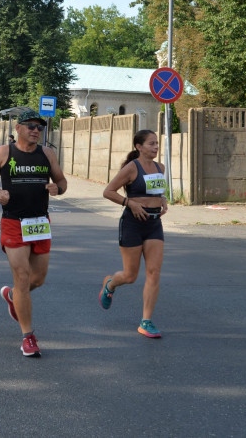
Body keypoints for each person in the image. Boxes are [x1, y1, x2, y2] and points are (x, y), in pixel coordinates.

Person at [0, 109, 67, 358]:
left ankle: (11, 295)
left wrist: (56, 188)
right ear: (18, 128)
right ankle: (28, 337)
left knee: (36, 280)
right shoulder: (3, 153)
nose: (36, 130)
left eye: (39, 127)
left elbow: (62, 181)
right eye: (30, 126)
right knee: (22, 275)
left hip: (40, 222)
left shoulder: (47, 154)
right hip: (13, 222)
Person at [98, 129, 169, 339]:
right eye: (151, 144)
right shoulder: (131, 168)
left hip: (154, 224)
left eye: (157, 143)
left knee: (154, 272)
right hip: (133, 223)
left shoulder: (160, 167)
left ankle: (146, 321)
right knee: (130, 276)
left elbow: (156, 191)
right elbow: (108, 191)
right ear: (139, 147)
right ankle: (110, 284)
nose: (155, 147)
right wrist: (130, 203)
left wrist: (162, 200)